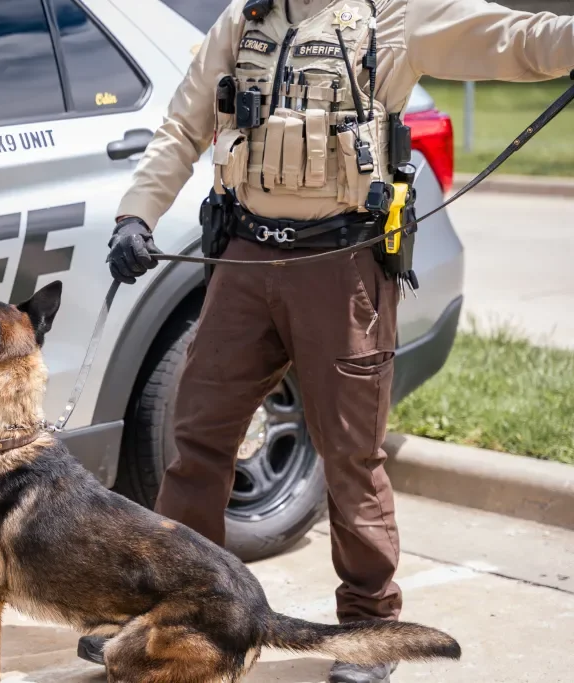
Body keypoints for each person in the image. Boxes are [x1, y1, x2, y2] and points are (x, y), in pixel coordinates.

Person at [80, 1, 574, 681]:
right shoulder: (244, 18)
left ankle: (372, 631)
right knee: (196, 442)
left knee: (351, 456)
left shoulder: (396, 15)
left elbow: (519, 40)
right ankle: (179, 613)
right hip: (244, 259)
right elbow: (184, 123)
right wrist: (137, 215)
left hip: (342, 266)